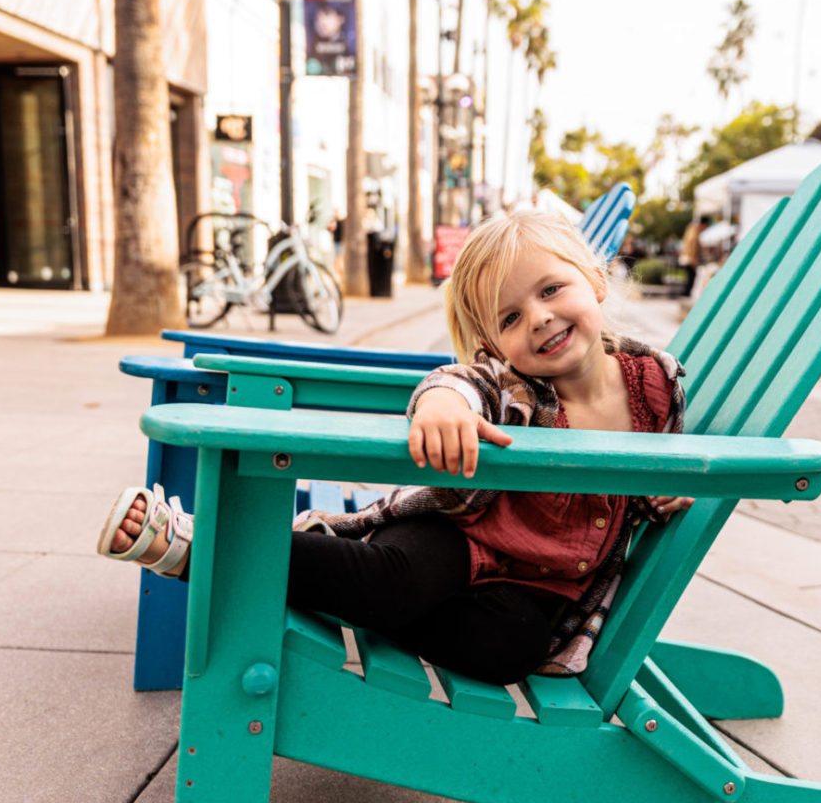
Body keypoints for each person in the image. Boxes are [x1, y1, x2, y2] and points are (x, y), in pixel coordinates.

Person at [97, 212, 693, 685]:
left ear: (594, 280)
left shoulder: (655, 386)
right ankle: (195, 546)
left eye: (551, 289)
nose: (538, 318)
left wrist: (666, 493)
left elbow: (652, 483)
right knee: (394, 581)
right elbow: (455, 381)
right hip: (463, 534)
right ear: (493, 343)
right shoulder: (506, 382)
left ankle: (336, 589)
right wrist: (443, 407)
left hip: (538, 586)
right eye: (511, 317)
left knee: (514, 650)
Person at [678, 215, 709, 298]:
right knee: (690, 280)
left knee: (689, 279)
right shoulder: (694, 232)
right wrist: (695, 260)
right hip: (690, 259)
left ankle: (685, 296)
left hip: (687, 258)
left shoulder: (691, 229)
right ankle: (685, 297)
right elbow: (692, 247)